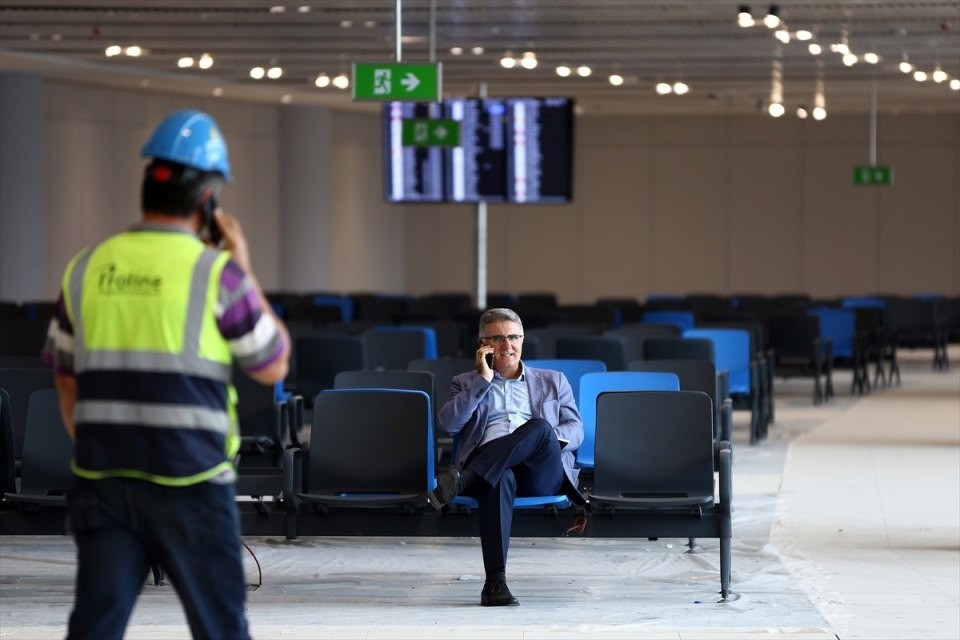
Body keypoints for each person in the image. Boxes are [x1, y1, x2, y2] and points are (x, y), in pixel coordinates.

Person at [44, 109, 290, 640]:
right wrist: (243, 265)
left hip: (104, 481)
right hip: (193, 483)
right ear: (209, 201)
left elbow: (65, 379)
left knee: (94, 629)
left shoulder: (86, 267)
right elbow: (273, 365)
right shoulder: (215, 272)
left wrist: (103, 447)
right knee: (221, 628)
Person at [430, 307, 585, 607]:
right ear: (482, 345)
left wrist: (547, 439)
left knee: (540, 428)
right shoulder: (465, 382)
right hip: (495, 471)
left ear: (523, 339)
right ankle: (495, 584)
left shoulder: (554, 380)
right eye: (497, 338)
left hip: (541, 469)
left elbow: (576, 430)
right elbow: (448, 424)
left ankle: (464, 481)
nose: (507, 345)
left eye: (513, 337)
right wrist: (482, 380)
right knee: (500, 476)